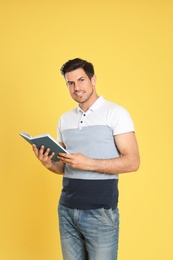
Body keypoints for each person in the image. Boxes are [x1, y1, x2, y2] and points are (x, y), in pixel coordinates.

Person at [32, 58, 140, 260]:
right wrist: (48, 163)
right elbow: (63, 167)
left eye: (81, 80)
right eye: (70, 83)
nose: (76, 88)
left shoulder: (116, 113)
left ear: (93, 79)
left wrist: (88, 162)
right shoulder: (65, 119)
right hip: (66, 210)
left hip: (99, 212)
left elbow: (133, 162)